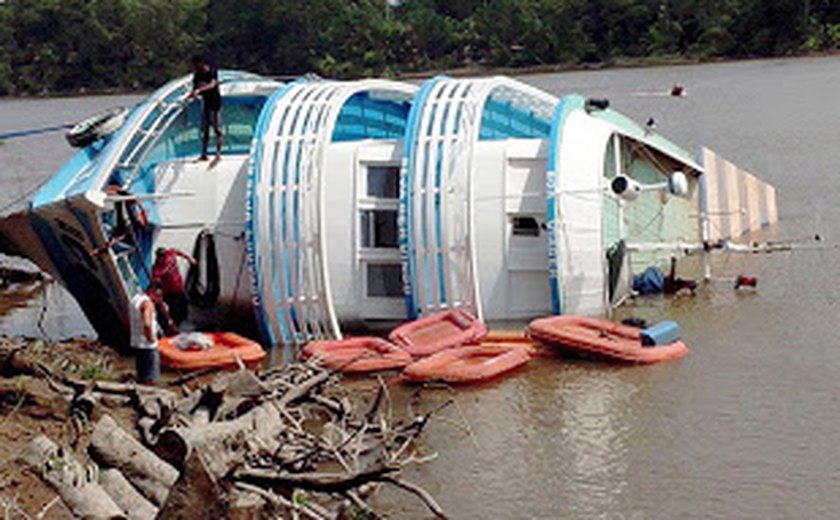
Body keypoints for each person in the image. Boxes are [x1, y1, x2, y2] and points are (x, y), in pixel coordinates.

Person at [151, 247, 196, 328]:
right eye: (160, 257)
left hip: (179, 287)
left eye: (164, 256)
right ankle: (173, 325)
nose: (163, 258)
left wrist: (189, 258)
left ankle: (184, 321)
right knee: (173, 310)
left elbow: (177, 251)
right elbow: (156, 282)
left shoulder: (170, 254)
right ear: (157, 258)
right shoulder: (157, 269)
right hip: (169, 292)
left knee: (183, 305)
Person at [189, 55, 222, 161]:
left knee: (217, 129)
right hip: (206, 104)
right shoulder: (197, 75)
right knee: (205, 130)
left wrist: (200, 89)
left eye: (197, 65)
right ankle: (204, 154)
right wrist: (193, 93)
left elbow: (213, 85)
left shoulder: (212, 71)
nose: (196, 68)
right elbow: (195, 89)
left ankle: (218, 154)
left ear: (201, 63)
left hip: (215, 104)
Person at [130, 282, 165, 384]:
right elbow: (147, 323)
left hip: (137, 343)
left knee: (141, 375)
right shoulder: (147, 304)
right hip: (147, 345)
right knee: (151, 377)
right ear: (151, 291)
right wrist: (151, 338)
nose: (158, 299)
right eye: (158, 295)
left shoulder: (135, 300)